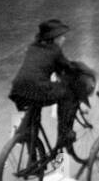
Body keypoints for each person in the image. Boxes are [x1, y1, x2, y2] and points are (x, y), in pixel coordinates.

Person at [8, 19, 88, 151]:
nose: (64, 39)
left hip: (18, 89)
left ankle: (27, 142)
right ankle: (64, 133)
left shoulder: (32, 47)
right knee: (68, 95)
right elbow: (68, 68)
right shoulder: (55, 51)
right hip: (38, 89)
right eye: (61, 36)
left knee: (34, 104)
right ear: (54, 39)